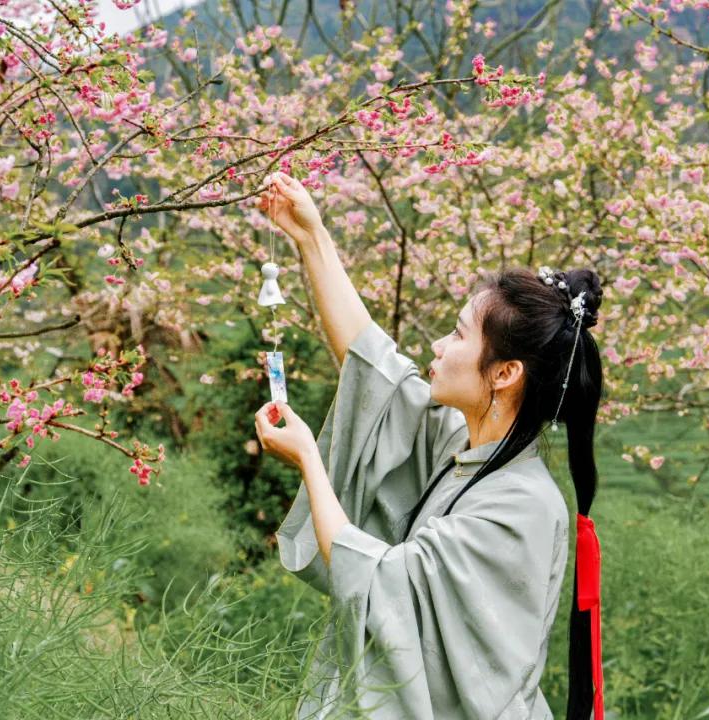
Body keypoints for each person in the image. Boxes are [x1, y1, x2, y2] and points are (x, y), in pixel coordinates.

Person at [252, 172, 605, 720]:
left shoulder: (522, 505)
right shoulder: (465, 447)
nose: (440, 345)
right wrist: (311, 238)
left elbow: (386, 584)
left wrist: (310, 462)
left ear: (505, 372)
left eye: (461, 334)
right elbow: (375, 370)